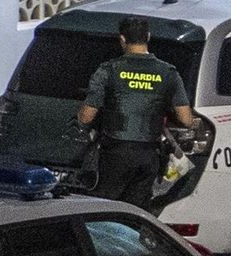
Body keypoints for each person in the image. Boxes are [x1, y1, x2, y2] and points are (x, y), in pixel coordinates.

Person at [77, 16, 195, 210]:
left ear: (122, 39)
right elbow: (186, 119)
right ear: (147, 37)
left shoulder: (108, 70)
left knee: (103, 210)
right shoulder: (168, 72)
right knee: (135, 213)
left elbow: (86, 116)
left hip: (115, 154)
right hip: (149, 156)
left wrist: (83, 121)